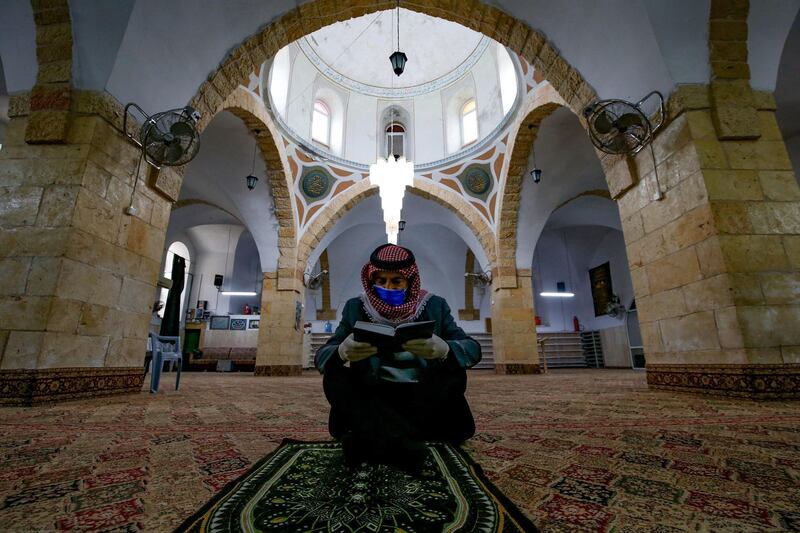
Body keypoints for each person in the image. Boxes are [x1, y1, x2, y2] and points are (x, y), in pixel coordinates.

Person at [315, 244, 481, 471]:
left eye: (396, 281)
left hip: (421, 396)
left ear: (410, 282)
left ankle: (374, 440)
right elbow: (323, 356)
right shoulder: (355, 307)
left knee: (453, 372)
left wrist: (445, 350)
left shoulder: (435, 306)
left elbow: (472, 349)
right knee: (335, 375)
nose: (387, 287)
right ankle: (403, 441)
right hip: (373, 396)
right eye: (381, 281)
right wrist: (342, 351)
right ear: (371, 280)